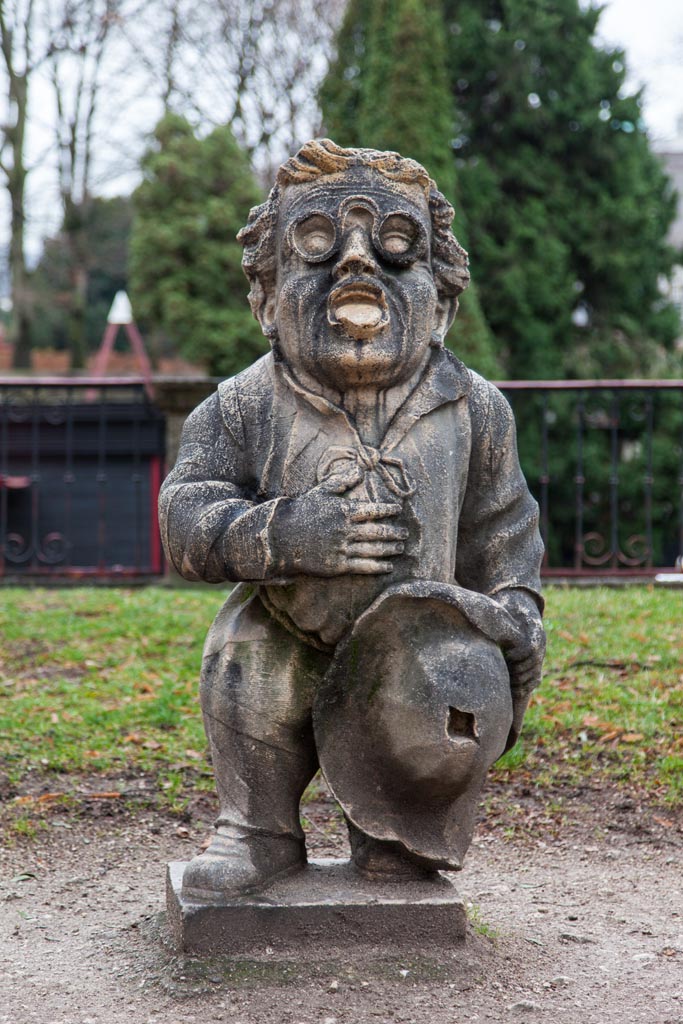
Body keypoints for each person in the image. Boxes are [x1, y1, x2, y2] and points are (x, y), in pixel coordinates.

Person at [159, 139, 545, 901]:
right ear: (267, 300)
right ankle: (258, 829)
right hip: (286, 629)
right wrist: (283, 533)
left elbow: (505, 534)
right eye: (316, 245)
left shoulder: (474, 409)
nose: (358, 262)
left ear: (442, 302)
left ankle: (395, 836)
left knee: (438, 706)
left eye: (397, 246)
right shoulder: (244, 403)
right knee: (244, 662)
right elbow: (184, 513)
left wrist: (516, 619)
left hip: (417, 647)